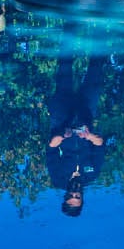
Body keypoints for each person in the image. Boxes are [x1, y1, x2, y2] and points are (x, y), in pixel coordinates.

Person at [44, 57, 109, 216]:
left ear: (65, 196)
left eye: (70, 196)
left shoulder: (58, 178)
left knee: (65, 70)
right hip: (85, 117)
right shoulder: (92, 175)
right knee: (96, 71)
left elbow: (51, 149)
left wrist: (62, 136)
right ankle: (99, 35)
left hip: (62, 119)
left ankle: (69, 34)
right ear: (82, 197)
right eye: (77, 196)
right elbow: (100, 145)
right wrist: (89, 136)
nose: (74, 192)